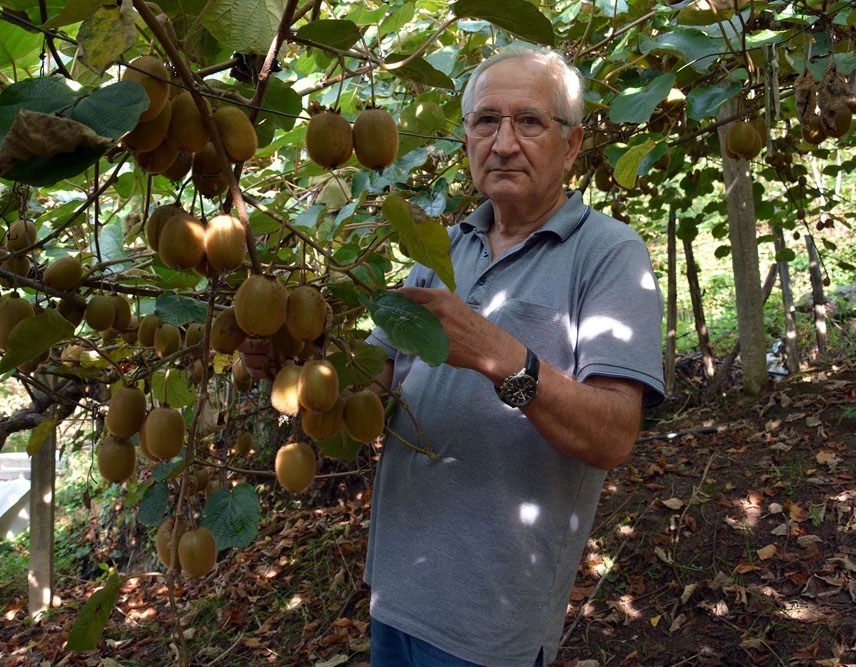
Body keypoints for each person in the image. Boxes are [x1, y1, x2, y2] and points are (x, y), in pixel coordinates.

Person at [243, 45, 665, 666]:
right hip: (395, 593)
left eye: (529, 121)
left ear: (572, 146)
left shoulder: (609, 254)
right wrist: (299, 356)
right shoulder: (444, 248)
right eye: (485, 121)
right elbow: (374, 382)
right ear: (466, 137)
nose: (502, 143)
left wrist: (503, 358)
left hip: (490, 620)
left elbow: (614, 437)